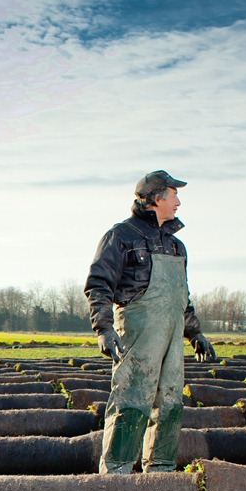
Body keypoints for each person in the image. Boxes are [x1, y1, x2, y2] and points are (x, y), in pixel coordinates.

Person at [84, 170, 217, 474]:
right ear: (157, 198)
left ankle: (160, 474)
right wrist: (103, 328)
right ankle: (115, 475)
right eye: (174, 194)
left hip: (171, 335)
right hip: (138, 331)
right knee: (132, 400)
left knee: (170, 403)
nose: (178, 202)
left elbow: (181, 296)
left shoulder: (175, 245)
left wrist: (195, 332)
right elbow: (98, 283)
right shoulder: (121, 235)